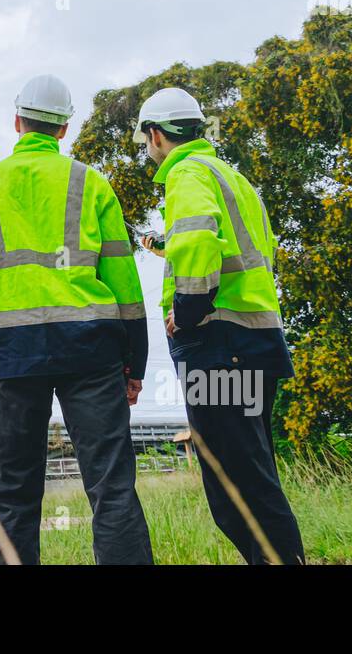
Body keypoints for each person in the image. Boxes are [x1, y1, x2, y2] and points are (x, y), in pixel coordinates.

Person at [0, 74, 153, 565]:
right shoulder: (91, 183)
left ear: (17, 121)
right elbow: (125, 284)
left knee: (12, 493)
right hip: (91, 348)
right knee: (111, 485)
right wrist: (138, 363)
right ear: (64, 128)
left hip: (9, 354)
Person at [134, 86, 304, 564]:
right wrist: (165, 247)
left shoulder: (185, 173)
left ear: (155, 135)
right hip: (256, 339)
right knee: (253, 476)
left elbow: (201, 246)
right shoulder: (231, 176)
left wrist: (185, 314)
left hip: (219, 344)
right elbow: (231, 251)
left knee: (236, 492)